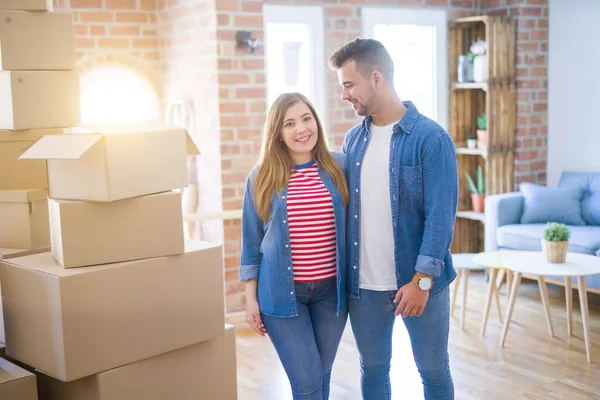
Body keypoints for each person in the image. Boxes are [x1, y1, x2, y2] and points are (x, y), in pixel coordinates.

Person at [328, 38, 458, 400]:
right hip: (365, 286)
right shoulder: (354, 141)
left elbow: (441, 217)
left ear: (376, 78)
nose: (344, 95)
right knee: (372, 371)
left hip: (418, 283)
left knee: (433, 371)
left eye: (349, 84)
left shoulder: (431, 139)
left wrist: (422, 281)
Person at [240, 92, 350, 400]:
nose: (301, 129)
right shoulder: (261, 176)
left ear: (316, 121)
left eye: (306, 119)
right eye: (290, 123)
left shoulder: (340, 166)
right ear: (277, 133)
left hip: (331, 294)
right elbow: (250, 243)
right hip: (281, 296)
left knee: (320, 376)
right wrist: (250, 300)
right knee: (307, 381)